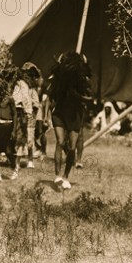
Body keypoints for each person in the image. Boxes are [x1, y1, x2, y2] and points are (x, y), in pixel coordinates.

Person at [48, 52, 92, 190]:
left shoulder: (83, 82)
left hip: (75, 115)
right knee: (60, 142)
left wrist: (80, 97)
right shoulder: (57, 82)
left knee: (72, 147)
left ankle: (66, 176)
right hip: (60, 113)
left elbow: (89, 96)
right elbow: (51, 95)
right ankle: (57, 175)